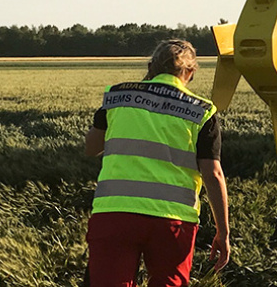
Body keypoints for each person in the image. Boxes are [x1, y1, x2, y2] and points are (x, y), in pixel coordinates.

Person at [85, 39, 230, 286]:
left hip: (115, 213)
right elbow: (213, 174)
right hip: (173, 221)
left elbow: (91, 148)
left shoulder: (119, 96)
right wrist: (223, 232)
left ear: (151, 66)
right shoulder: (202, 111)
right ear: (191, 72)